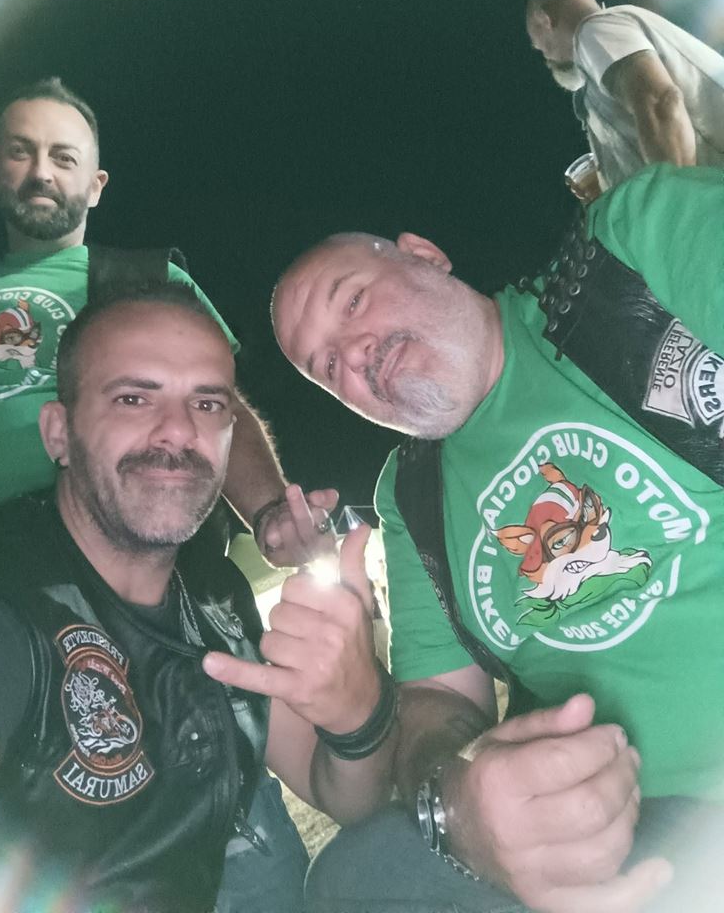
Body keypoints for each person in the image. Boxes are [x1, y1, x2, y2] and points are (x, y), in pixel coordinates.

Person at [271, 162, 724, 913]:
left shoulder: (630, 253)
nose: (352, 355)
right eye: (327, 369)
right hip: (635, 826)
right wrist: (459, 807)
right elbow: (434, 705)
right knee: (359, 878)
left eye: (351, 301)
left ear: (424, 256)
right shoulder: (410, 496)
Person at [0, 282, 397, 913]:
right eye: (133, 398)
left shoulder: (217, 595)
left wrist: (358, 712)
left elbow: (345, 793)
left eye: (207, 403)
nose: (178, 431)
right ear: (59, 433)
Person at [0, 76, 333, 566]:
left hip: (115, 562)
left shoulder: (151, 281)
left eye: (63, 158)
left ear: (96, 186)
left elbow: (219, 408)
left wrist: (268, 513)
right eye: (20, 152)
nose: (42, 172)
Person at [526, 0, 724, 196]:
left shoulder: (595, 30)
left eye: (540, 48)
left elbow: (661, 104)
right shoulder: (610, 35)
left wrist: (677, 202)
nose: (548, 59)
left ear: (544, 20)